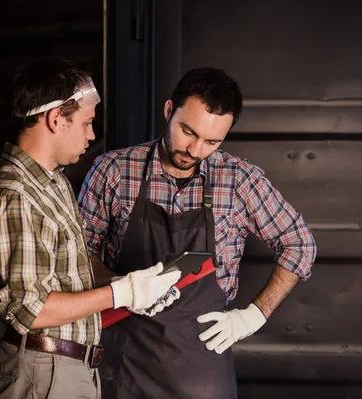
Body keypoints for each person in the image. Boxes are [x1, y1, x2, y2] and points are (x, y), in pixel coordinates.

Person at [77, 67, 317, 398]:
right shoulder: (114, 171)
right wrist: (123, 288)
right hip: (125, 362)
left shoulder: (239, 181)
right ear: (168, 111)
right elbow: (77, 255)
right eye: (188, 132)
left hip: (201, 369)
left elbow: (300, 245)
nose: (195, 149)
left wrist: (254, 315)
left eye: (212, 141)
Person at [0, 57, 182, 399]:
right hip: (43, 374)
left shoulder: (53, 181)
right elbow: (32, 308)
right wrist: (121, 294)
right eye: (86, 122)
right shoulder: (15, 196)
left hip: (70, 369)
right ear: (56, 119)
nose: (92, 134)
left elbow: (73, 267)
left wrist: (132, 286)